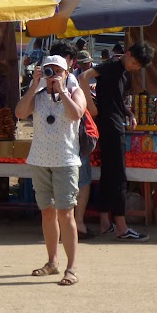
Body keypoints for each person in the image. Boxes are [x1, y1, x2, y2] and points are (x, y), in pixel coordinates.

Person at [15, 55, 87, 286]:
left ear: (67, 73)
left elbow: (77, 113)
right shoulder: (37, 95)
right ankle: (52, 262)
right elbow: (20, 113)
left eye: (58, 71)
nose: (53, 75)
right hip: (40, 160)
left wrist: (63, 91)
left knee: (66, 214)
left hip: (66, 161)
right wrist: (34, 85)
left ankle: (72, 267)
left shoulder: (75, 92)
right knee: (47, 212)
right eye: (49, 71)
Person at [78, 41, 155, 241]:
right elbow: (83, 77)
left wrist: (129, 113)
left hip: (113, 123)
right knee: (119, 177)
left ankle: (105, 222)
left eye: (139, 66)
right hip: (110, 127)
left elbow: (116, 100)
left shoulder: (122, 73)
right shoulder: (112, 66)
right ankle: (121, 226)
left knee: (109, 174)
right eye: (135, 62)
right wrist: (90, 108)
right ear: (127, 53)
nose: (135, 67)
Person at [50, 42, 96, 237]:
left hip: (72, 139)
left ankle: (74, 224)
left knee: (79, 181)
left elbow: (81, 111)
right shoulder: (43, 81)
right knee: (80, 182)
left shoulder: (73, 82)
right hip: (60, 142)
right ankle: (74, 224)